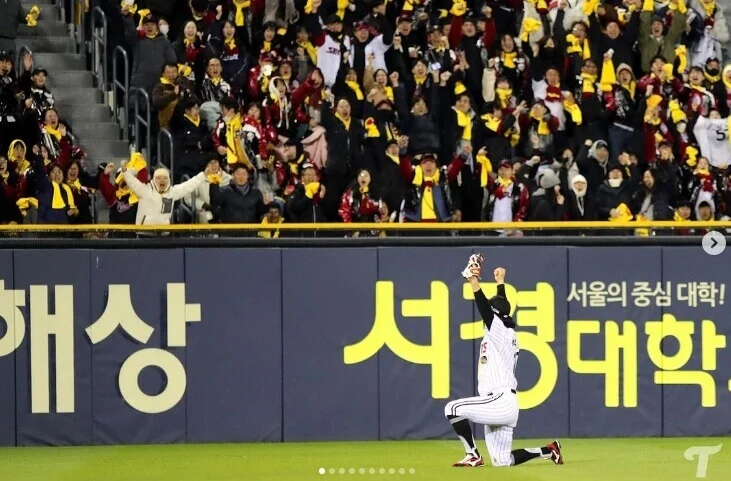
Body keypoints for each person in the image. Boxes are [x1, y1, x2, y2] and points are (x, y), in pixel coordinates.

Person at [444, 254, 563, 468]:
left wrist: (473, 281)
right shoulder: (504, 328)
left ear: (495, 315)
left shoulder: (499, 330)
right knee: (502, 461)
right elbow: (501, 307)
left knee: (453, 408)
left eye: (491, 311)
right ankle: (549, 450)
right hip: (503, 404)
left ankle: (473, 455)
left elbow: (486, 309)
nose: (487, 314)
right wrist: (500, 283)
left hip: (498, 400)